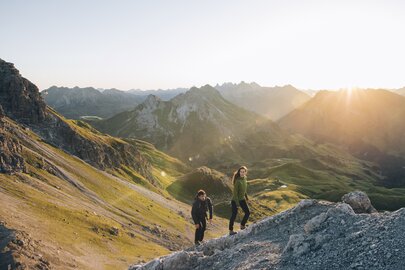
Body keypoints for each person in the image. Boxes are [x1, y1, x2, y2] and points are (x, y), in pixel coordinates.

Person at [229, 166, 250, 235]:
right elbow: (235, 194)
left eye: (243, 172)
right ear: (239, 172)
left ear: (245, 172)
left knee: (248, 212)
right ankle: (231, 230)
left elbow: (244, 190)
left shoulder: (245, 179)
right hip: (235, 200)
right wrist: (237, 204)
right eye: (241, 172)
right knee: (234, 215)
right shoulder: (237, 181)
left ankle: (242, 225)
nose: (242, 173)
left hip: (242, 199)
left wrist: (247, 198)